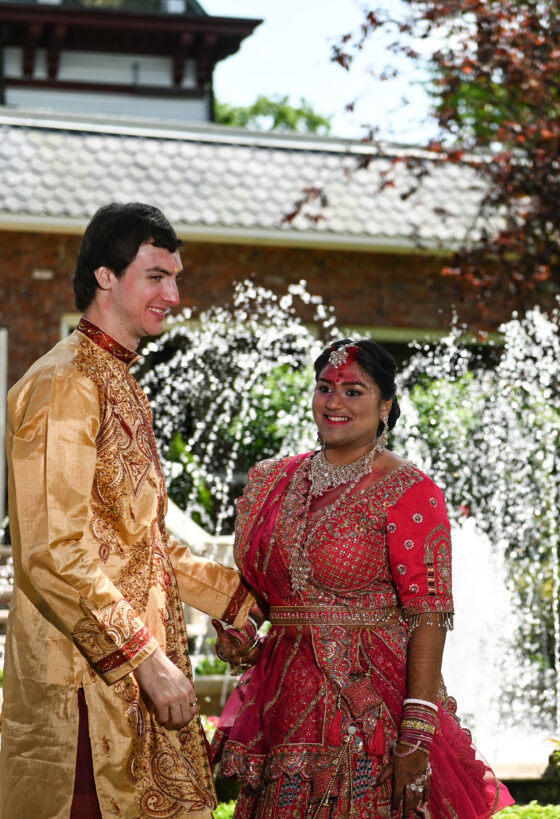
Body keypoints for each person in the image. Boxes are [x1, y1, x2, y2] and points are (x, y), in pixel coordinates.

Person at [0, 202, 259, 819]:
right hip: (82, 685)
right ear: (105, 277)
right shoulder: (65, 383)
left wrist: (235, 599)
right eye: (156, 276)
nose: (174, 294)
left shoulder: (118, 379)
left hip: (131, 670)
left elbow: (140, 541)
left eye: (176, 277)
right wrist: (146, 660)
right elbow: (50, 552)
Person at [211, 339, 513, 818]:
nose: (335, 402)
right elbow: (266, 592)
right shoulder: (275, 479)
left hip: (369, 707)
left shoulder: (410, 491)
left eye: (354, 390)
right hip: (285, 698)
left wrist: (415, 732)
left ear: (385, 406)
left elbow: (428, 615)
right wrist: (244, 629)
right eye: (326, 387)